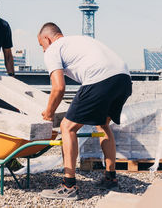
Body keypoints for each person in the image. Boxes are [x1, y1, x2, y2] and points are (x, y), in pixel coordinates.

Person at [37, 22, 132, 200]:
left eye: (41, 46)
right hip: (124, 78)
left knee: (67, 127)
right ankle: (110, 178)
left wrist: (49, 113)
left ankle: (68, 186)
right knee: (103, 124)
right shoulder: (78, 41)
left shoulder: (53, 49)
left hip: (100, 78)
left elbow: (58, 88)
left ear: (47, 39)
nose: (43, 50)